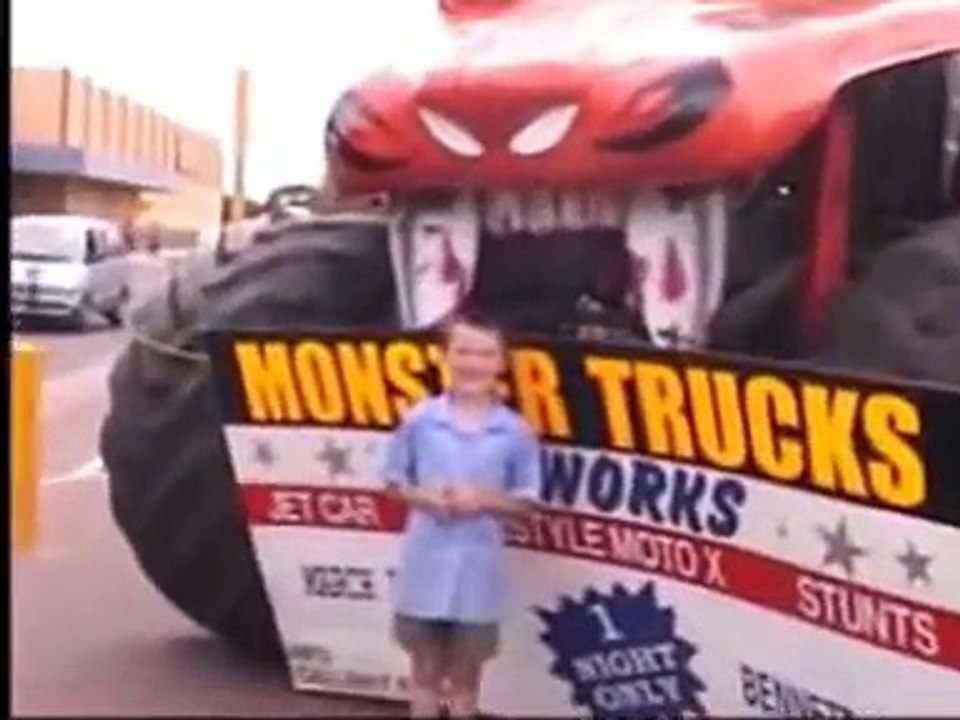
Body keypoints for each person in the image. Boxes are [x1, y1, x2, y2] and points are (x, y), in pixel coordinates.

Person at [383, 309, 542, 719]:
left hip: (477, 579)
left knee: (466, 677)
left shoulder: (516, 432)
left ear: (501, 362)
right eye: (464, 351)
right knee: (424, 672)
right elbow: (392, 483)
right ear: (446, 357)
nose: (473, 363)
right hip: (424, 572)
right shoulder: (419, 421)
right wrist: (424, 498)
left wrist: (486, 500)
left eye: (486, 354)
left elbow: (527, 503)